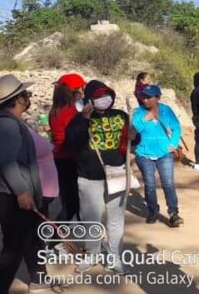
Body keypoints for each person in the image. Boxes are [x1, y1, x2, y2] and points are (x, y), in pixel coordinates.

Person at [64, 80, 134, 274]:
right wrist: (84, 119)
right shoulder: (79, 119)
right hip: (89, 177)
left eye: (107, 95)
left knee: (116, 219)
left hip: (117, 174)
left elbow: (132, 141)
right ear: (89, 100)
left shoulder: (122, 116)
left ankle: (115, 258)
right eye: (98, 97)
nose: (104, 100)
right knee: (91, 220)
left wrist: (134, 137)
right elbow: (71, 142)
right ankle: (92, 255)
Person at [0, 74, 53, 292]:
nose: (28, 97)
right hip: (12, 196)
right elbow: (6, 161)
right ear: (17, 100)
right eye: (25, 94)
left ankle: (38, 279)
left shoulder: (10, 123)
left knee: (27, 239)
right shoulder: (8, 126)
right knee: (13, 248)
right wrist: (22, 191)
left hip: (12, 193)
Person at [132, 85, 184, 227]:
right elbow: (132, 133)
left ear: (158, 98)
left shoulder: (166, 110)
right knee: (149, 185)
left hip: (164, 153)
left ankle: (173, 213)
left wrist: (173, 143)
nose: (146, 100)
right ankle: (153, 211)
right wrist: (145, 119)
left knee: (168, 183)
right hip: (144, 154)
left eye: (149, 97)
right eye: (144, 96)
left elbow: (176, 127)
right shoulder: (138, 112)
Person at [49, 73, 86, 221]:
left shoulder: (55, 110)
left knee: (70, 204)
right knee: (74, 206)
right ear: (76, 91)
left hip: (60, 159)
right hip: (71, 160)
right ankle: (55, 240)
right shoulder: (72, 112)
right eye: (82, 89)